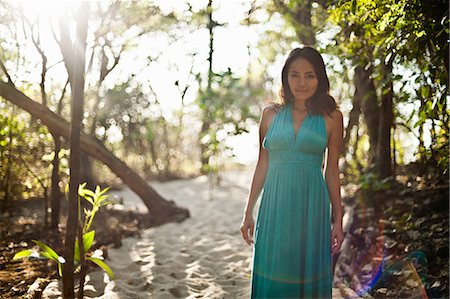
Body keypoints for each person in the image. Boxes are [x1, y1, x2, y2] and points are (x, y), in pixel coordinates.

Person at [240, 46, 344, 298]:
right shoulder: (270, 114)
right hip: (274, 205)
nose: (302, 82)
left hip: (312, 206)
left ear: (320, 78)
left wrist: (338, 219)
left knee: (306, 273)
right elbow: (262, 164)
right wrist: (248, 212)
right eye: (295, 75)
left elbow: (332, 172)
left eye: (310, 75)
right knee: (272, 269)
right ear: (286, 77)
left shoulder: (332, 117)